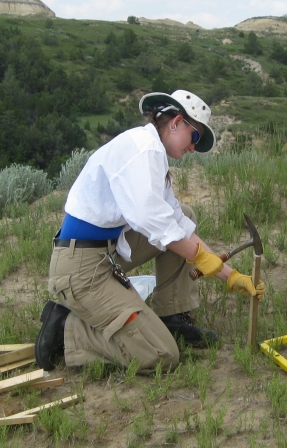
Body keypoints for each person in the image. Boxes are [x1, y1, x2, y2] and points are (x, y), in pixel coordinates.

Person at [35, 89, 265, 372]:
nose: (193, 148)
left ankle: (172, 316)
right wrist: (200, 257)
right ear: (176, 122)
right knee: (162, 355)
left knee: (183, 219)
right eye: (195, 137)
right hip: (80, 269)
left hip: (106, 252)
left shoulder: (152, 151)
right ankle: (67, 329)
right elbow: (150, 219)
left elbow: (177, 222)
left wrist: (232, 277)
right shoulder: (144, 149)